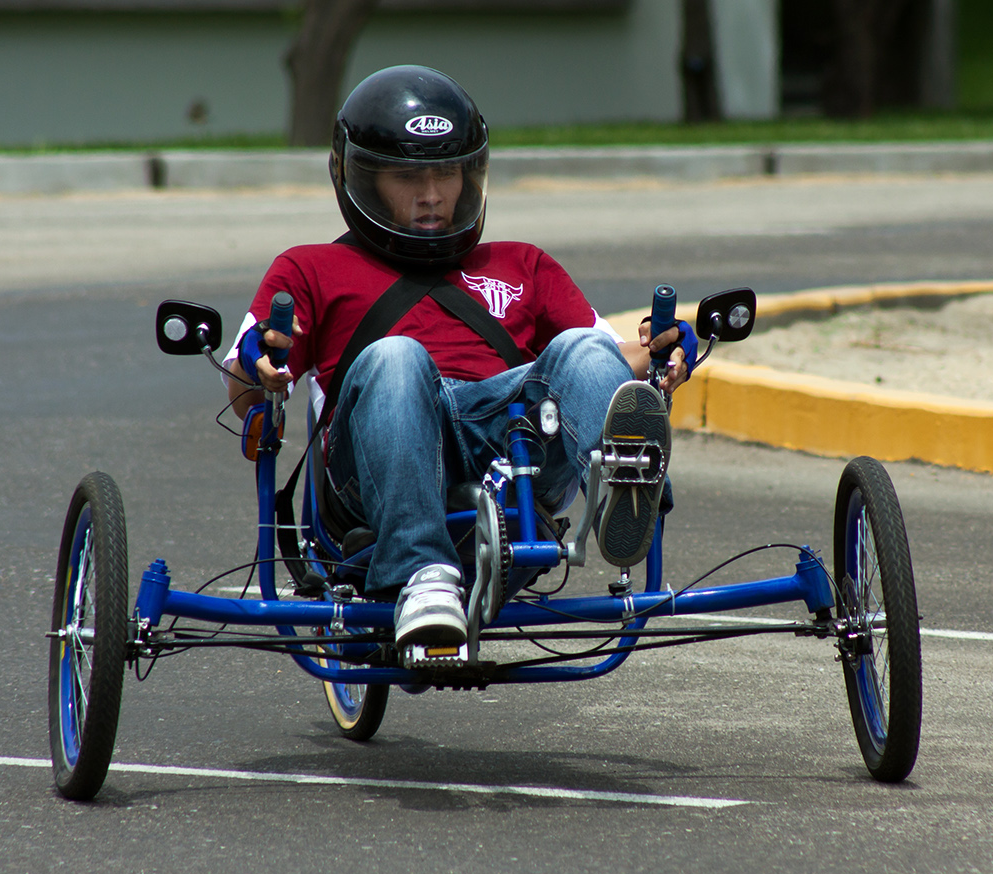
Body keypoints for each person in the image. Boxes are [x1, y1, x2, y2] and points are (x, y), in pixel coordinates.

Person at [225, 65, 690, 651]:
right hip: (376, 450)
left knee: (583, 348)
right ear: (355, 176)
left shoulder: (523, 264)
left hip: (510, 450)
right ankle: (423, 576)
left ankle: (628, 484)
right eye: (406, 176)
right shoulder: (309, 268)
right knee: (397, 357)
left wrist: (660, 351)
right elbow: (249, 389)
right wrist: (257, 361)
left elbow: (608, 357)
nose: (431, 195)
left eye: (446, 173)